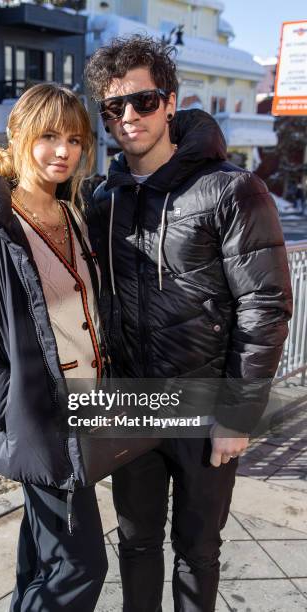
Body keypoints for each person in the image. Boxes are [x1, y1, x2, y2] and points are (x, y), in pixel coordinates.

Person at [85, 35, 292, 612]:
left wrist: (237, 411)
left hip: (206, 407)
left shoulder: (233, 189)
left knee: (198, 550)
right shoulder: (104, 199)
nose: (129, 116)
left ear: (171, 102)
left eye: (143, 101)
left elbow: (265, 306)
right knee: (135, 543)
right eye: (113, 106)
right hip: (133, 405)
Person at [0, 83, 108, 612]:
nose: (64, 151)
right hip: (44, 422)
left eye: (75, 140)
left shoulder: (74, 214)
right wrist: (16, 407)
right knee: (80, 567)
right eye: (49, 135)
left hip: (87, 412)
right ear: (17, 135)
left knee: (45, 556)